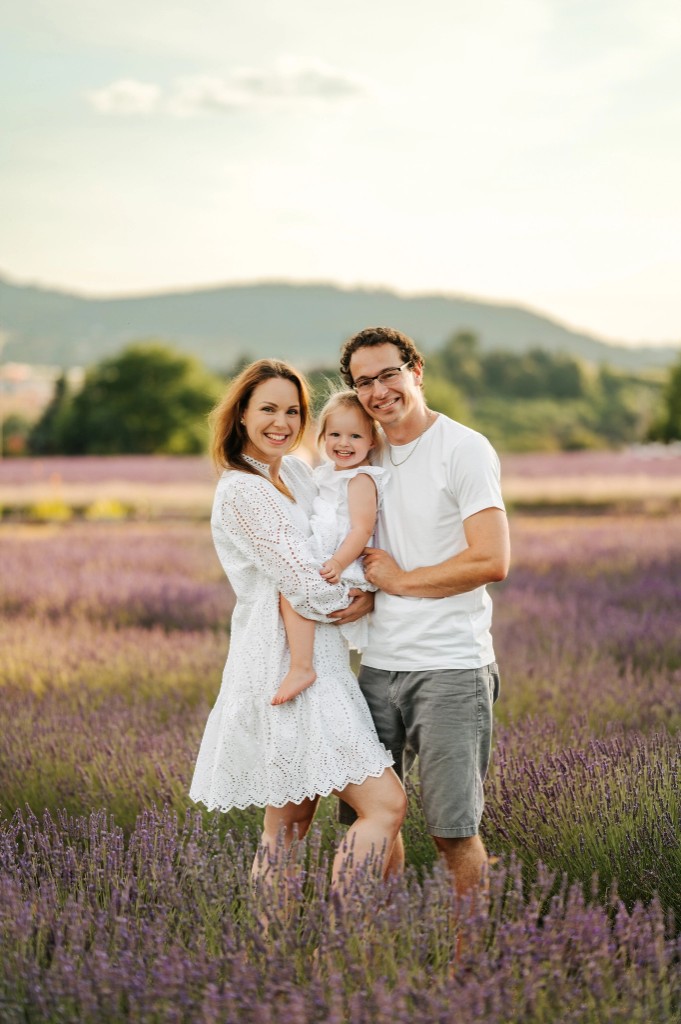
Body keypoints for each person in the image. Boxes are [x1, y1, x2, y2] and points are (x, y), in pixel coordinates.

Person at [189, 359, 406, 891]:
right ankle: (343, 943)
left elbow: (340, 535)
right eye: (267, 409)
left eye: (292, 410)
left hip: (322, 664)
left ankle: (277, 957)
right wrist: (371, 593)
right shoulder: (243, 489)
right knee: (385, 804)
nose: (281, 422)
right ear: (241, 415)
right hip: (282, 666)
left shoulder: (299, 474)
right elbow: (304, 582)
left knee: (287, 828)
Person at [335, 326, 510, 907]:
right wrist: (361, 592)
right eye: (364, 382)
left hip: (450, 668)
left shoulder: (465, 448)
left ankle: (470, 971)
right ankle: (392, 942)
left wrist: (401, 582)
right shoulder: (365, 453)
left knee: (452, 832)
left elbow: (492, 558)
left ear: (417, 370)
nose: (379, 390)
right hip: (376, 668)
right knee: (373, 819)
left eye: (389, 373)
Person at [272, 390, 386, 704]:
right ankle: (302, 663)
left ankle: (301, 666)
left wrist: (337, 562)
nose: (343, 443)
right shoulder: (325, 473)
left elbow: (363, 528)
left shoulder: (361, 479)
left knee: (293, 590)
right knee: (291, 591)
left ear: (372, 441)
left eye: (355, 436)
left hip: (342, 559)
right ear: (322, 436)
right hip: (326, 550)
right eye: (334, 434)